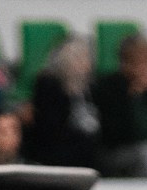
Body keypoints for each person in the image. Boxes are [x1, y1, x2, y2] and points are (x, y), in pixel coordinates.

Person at [93, 33, 147, 178]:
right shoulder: (107, 87)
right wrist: (135, 97)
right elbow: (116, 134)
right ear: (125, 64)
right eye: (141, 61)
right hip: (118, 153)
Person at [24, 36, 100, 168]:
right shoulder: (49, 85)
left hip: (87, 147)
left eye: (87, 58)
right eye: (81, 58)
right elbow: (49, 128)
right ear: (67, 62)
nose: (87, 63)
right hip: (57, 148)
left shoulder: (91, 87)